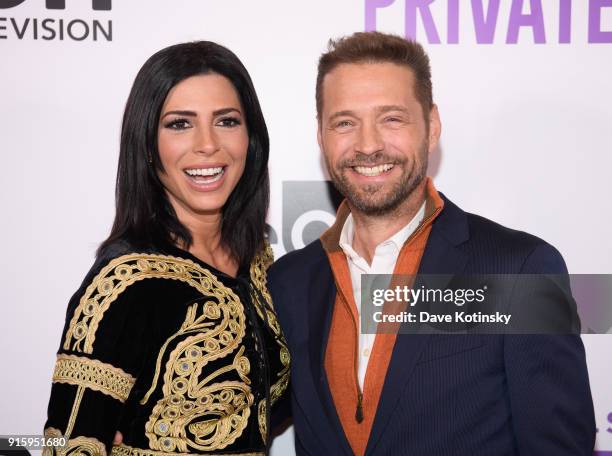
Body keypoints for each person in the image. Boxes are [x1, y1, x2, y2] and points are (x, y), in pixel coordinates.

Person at [268, 32, 595, 455]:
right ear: (321, 135)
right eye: (345, 122)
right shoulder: (290, 282)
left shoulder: (518, 271)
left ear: (432, 126)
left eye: (392, 118)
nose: (368, 145)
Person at [44, 41, 289, 456]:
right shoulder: (126, 282)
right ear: (147, 144)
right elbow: (65, 444)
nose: (207, 144)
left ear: (252, 138)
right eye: (180, 124)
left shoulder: (260, 263)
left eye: (227, 121)